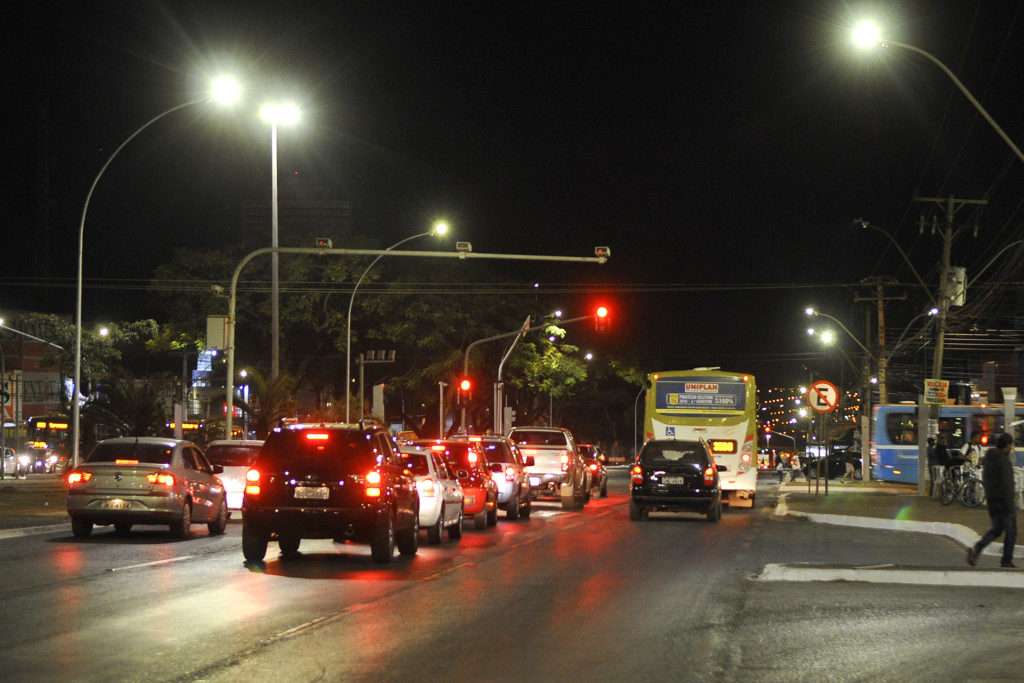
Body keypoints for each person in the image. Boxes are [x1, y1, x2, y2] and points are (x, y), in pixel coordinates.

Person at [967, 432, 1018, 568]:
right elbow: (1007, 485)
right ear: (1007, 445)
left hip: (992, 501)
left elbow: (986, 479)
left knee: (996, 529)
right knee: (1011, 531)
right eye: (1011, 445)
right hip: (1004, 502)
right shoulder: (1004, 461)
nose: (1012, 447)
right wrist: (1010, 507)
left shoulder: (989, 459)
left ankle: (977, 549)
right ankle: (1006, 561)